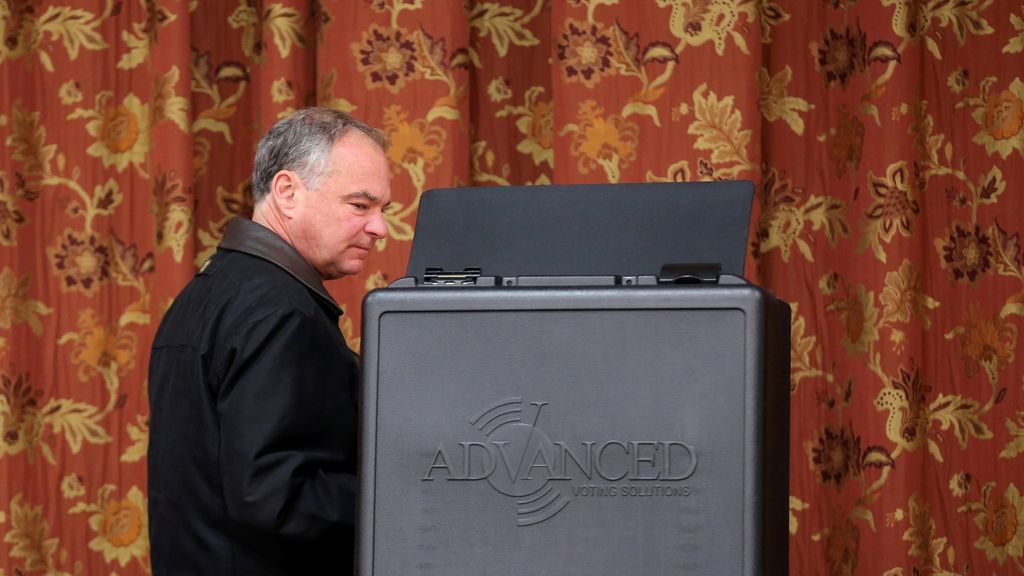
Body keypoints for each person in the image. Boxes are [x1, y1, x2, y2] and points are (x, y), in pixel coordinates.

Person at [147, 107, 391, 575]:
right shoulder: (281, 311)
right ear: (287, 192)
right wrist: (402, 493)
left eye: (383, 210)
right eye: (360, 205)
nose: (380, 227)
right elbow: (276, 496)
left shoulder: (202, 295)